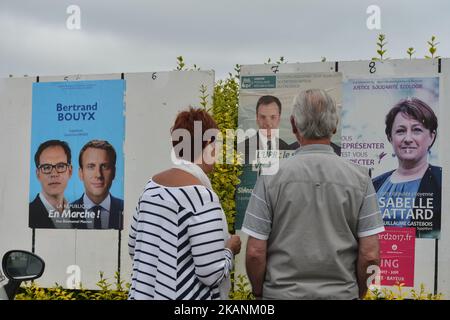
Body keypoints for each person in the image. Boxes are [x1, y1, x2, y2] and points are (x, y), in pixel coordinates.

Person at [242, 89, 385, 300]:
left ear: (293, 125)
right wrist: (357, 293)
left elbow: (254, 252)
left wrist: (258, 292)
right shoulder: (361, 179)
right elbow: (370, 255)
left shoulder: (269, 177)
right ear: (335, 125)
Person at [128, 107, 241, 300]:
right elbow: (210, 274)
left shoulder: (151, 188)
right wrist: (230, 249)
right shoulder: (201, 198)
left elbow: (134, 247)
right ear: (207, 143)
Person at [372, 98, 441, 238]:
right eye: (400, 131)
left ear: (431, 137)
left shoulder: (443, 181)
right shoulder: (374, 185)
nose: (408, 138)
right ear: (390, 137)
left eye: (416, 130)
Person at [71, 140, 124, 230]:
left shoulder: (125, 208)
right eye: (91, 167)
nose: (98, 175)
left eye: (104, 166)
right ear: (81, 173)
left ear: (114, 172)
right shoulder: (65, 212)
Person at [29, 140, 73, 229]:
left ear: (70, 171)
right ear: (38, 174)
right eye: (46, 167)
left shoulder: (83, 214)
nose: (54, 174)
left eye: (60, 166)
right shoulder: (27, 214)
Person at [238, 95, 290, 164]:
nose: (268, 123)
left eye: (273, 117)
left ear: (279, 118)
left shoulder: (287, 149)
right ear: (257, 118)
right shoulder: (242, 148)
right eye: (263, 117)